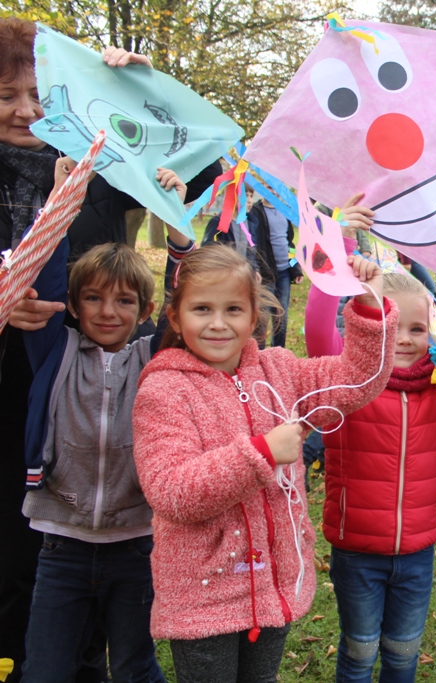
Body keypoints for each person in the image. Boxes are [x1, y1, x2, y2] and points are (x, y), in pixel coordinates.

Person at [0, 18, 219, 681]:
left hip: (89, 413)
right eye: (6, 94)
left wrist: (140, 88)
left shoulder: (98, 167)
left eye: (39, 93)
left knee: (83, 574)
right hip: (12, 404)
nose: (25, 110)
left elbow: (199, 160)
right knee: (16, 563)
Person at [131, 245, 396, 683]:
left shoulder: (280, 372)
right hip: (204, 598)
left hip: (274, 585)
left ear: (253, 318)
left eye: (233, 309)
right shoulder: (163, 392)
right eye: (202, 309)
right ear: (176, 318)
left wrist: (368, 305)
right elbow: (172, 492)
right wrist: (262, 453)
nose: (218, 323)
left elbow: (358, 382)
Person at [305, 198, 436, 683]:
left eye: (419, 327)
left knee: (401, 656)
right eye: (396, 327)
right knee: (358, 655)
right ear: (374, 326)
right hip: (356, 551)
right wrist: (340, 246)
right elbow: (316, 326)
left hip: (417, 553)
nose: (408, 338)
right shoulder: (348, 382)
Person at [18, 169, 192, 682]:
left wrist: (174, 218)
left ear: (147, 310)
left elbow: (188, 294)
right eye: (92, 298)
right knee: (45, 671)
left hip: (135, 546)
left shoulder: (154, 359)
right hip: (61, 545)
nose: (108, 311)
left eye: (124, 301)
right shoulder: (57, 349)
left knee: (137, 669)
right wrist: (62, 201)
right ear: (72, 306)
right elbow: (46, 277)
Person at [247, 195, 302, 347]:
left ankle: (278, 353)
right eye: (268, 186)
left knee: (281, 317)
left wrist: (295, 268)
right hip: (265, 274)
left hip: (284, 273)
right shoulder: (256, 212)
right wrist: (255, 268)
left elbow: (289, 244)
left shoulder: (284, 211)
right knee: (262, 318)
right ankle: (258, 354)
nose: (273, 191)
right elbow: (253, 243)